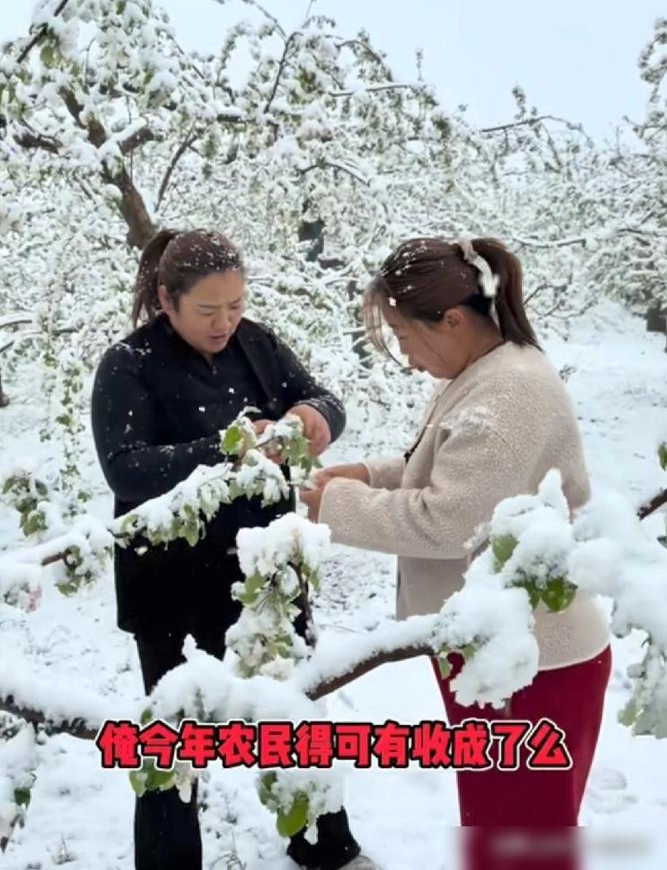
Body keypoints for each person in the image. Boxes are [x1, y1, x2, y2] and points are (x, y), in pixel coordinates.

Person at [301, 237, 611, 870]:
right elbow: (448, 469)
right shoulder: (489, 371)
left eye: (402, 335)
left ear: (452, 319)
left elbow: (451, 520)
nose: (407, 357)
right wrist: (367, 471)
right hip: (499, 650)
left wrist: (336, 507)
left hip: (534, 666)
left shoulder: (508, 393)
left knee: (522, 842)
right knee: (500, 828)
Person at [91, 228, 377, 870]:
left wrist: (306, 420)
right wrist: (225, 447)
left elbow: (326, 399)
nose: (226, 322)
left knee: (292, 712)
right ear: (167, 299)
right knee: (173, 734)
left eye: (236, 305)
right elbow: (127, 470)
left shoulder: (258, 344)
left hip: (263, 572)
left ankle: (326, 846)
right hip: (166, 581)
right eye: (208, 310)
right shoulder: (128, 363)